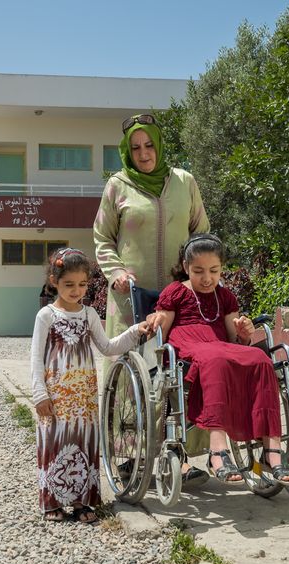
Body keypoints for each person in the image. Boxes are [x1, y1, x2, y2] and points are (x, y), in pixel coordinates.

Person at [93, 113, 211, 483]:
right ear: (128, 152)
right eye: (136, 148)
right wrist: (116, 273)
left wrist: (193, 274)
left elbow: (200, 232)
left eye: (149, 146)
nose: (144, 154)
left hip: (178, 300)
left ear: (159, 146)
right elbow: (102, 238)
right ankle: (128, 456)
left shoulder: (184, 182)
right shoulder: (118, 185)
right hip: (130, 300)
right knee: (131, 378)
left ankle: (182, 456)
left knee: (179, 372)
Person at [145, 234, 289, 485]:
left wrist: (245, 333)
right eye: (199, 271)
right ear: (185, 267)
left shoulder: (225, 297)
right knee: (214, 358)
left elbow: (234, 342)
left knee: (259, 358)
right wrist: (155, 320)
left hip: (218, 346)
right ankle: (218, 451)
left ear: (222, 268)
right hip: (187, 344)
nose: (207, 278)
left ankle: (272, 453)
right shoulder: (176, 291)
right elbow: (162, 336)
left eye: (214, 270)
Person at [30, 248, 150, 523]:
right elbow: (36, 356)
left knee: (84, 443)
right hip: (56, 396)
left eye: (82, 284)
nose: (76, 290)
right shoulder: (46, 316)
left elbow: (108, 348)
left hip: (84, 398)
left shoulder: (89, 315)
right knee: (55, 443)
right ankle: (52, 503)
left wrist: (135, 330)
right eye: (68, 284)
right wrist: (39, 394)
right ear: (54, 282)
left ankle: (84, 502)